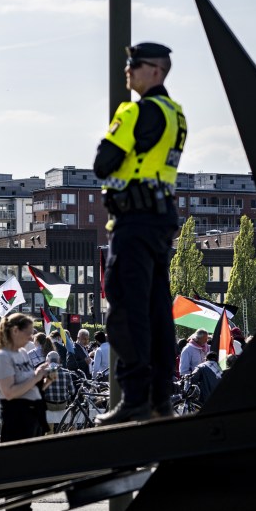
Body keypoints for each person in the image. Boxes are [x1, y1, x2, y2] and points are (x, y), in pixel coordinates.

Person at [93, 42, 186, 426]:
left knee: (128, 308)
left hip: (132, 221)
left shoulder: (135, 110)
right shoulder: (175, 113)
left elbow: (104, 163)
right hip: (160, 219)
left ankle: (133, 398)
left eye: (134, 65)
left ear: (156, 71)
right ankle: (160, 400)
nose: (127, 70)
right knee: (157, 310)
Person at [0, 313, 54, 511]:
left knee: (29, 468)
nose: (30, 337)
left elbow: (28, 387)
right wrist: (36, 377)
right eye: (27, 333)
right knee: (16, 467)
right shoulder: (1, 356)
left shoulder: (21, 353)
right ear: (14, 331)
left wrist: (44, 381)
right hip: (15, 414)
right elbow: (8, 393)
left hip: (31, 411)